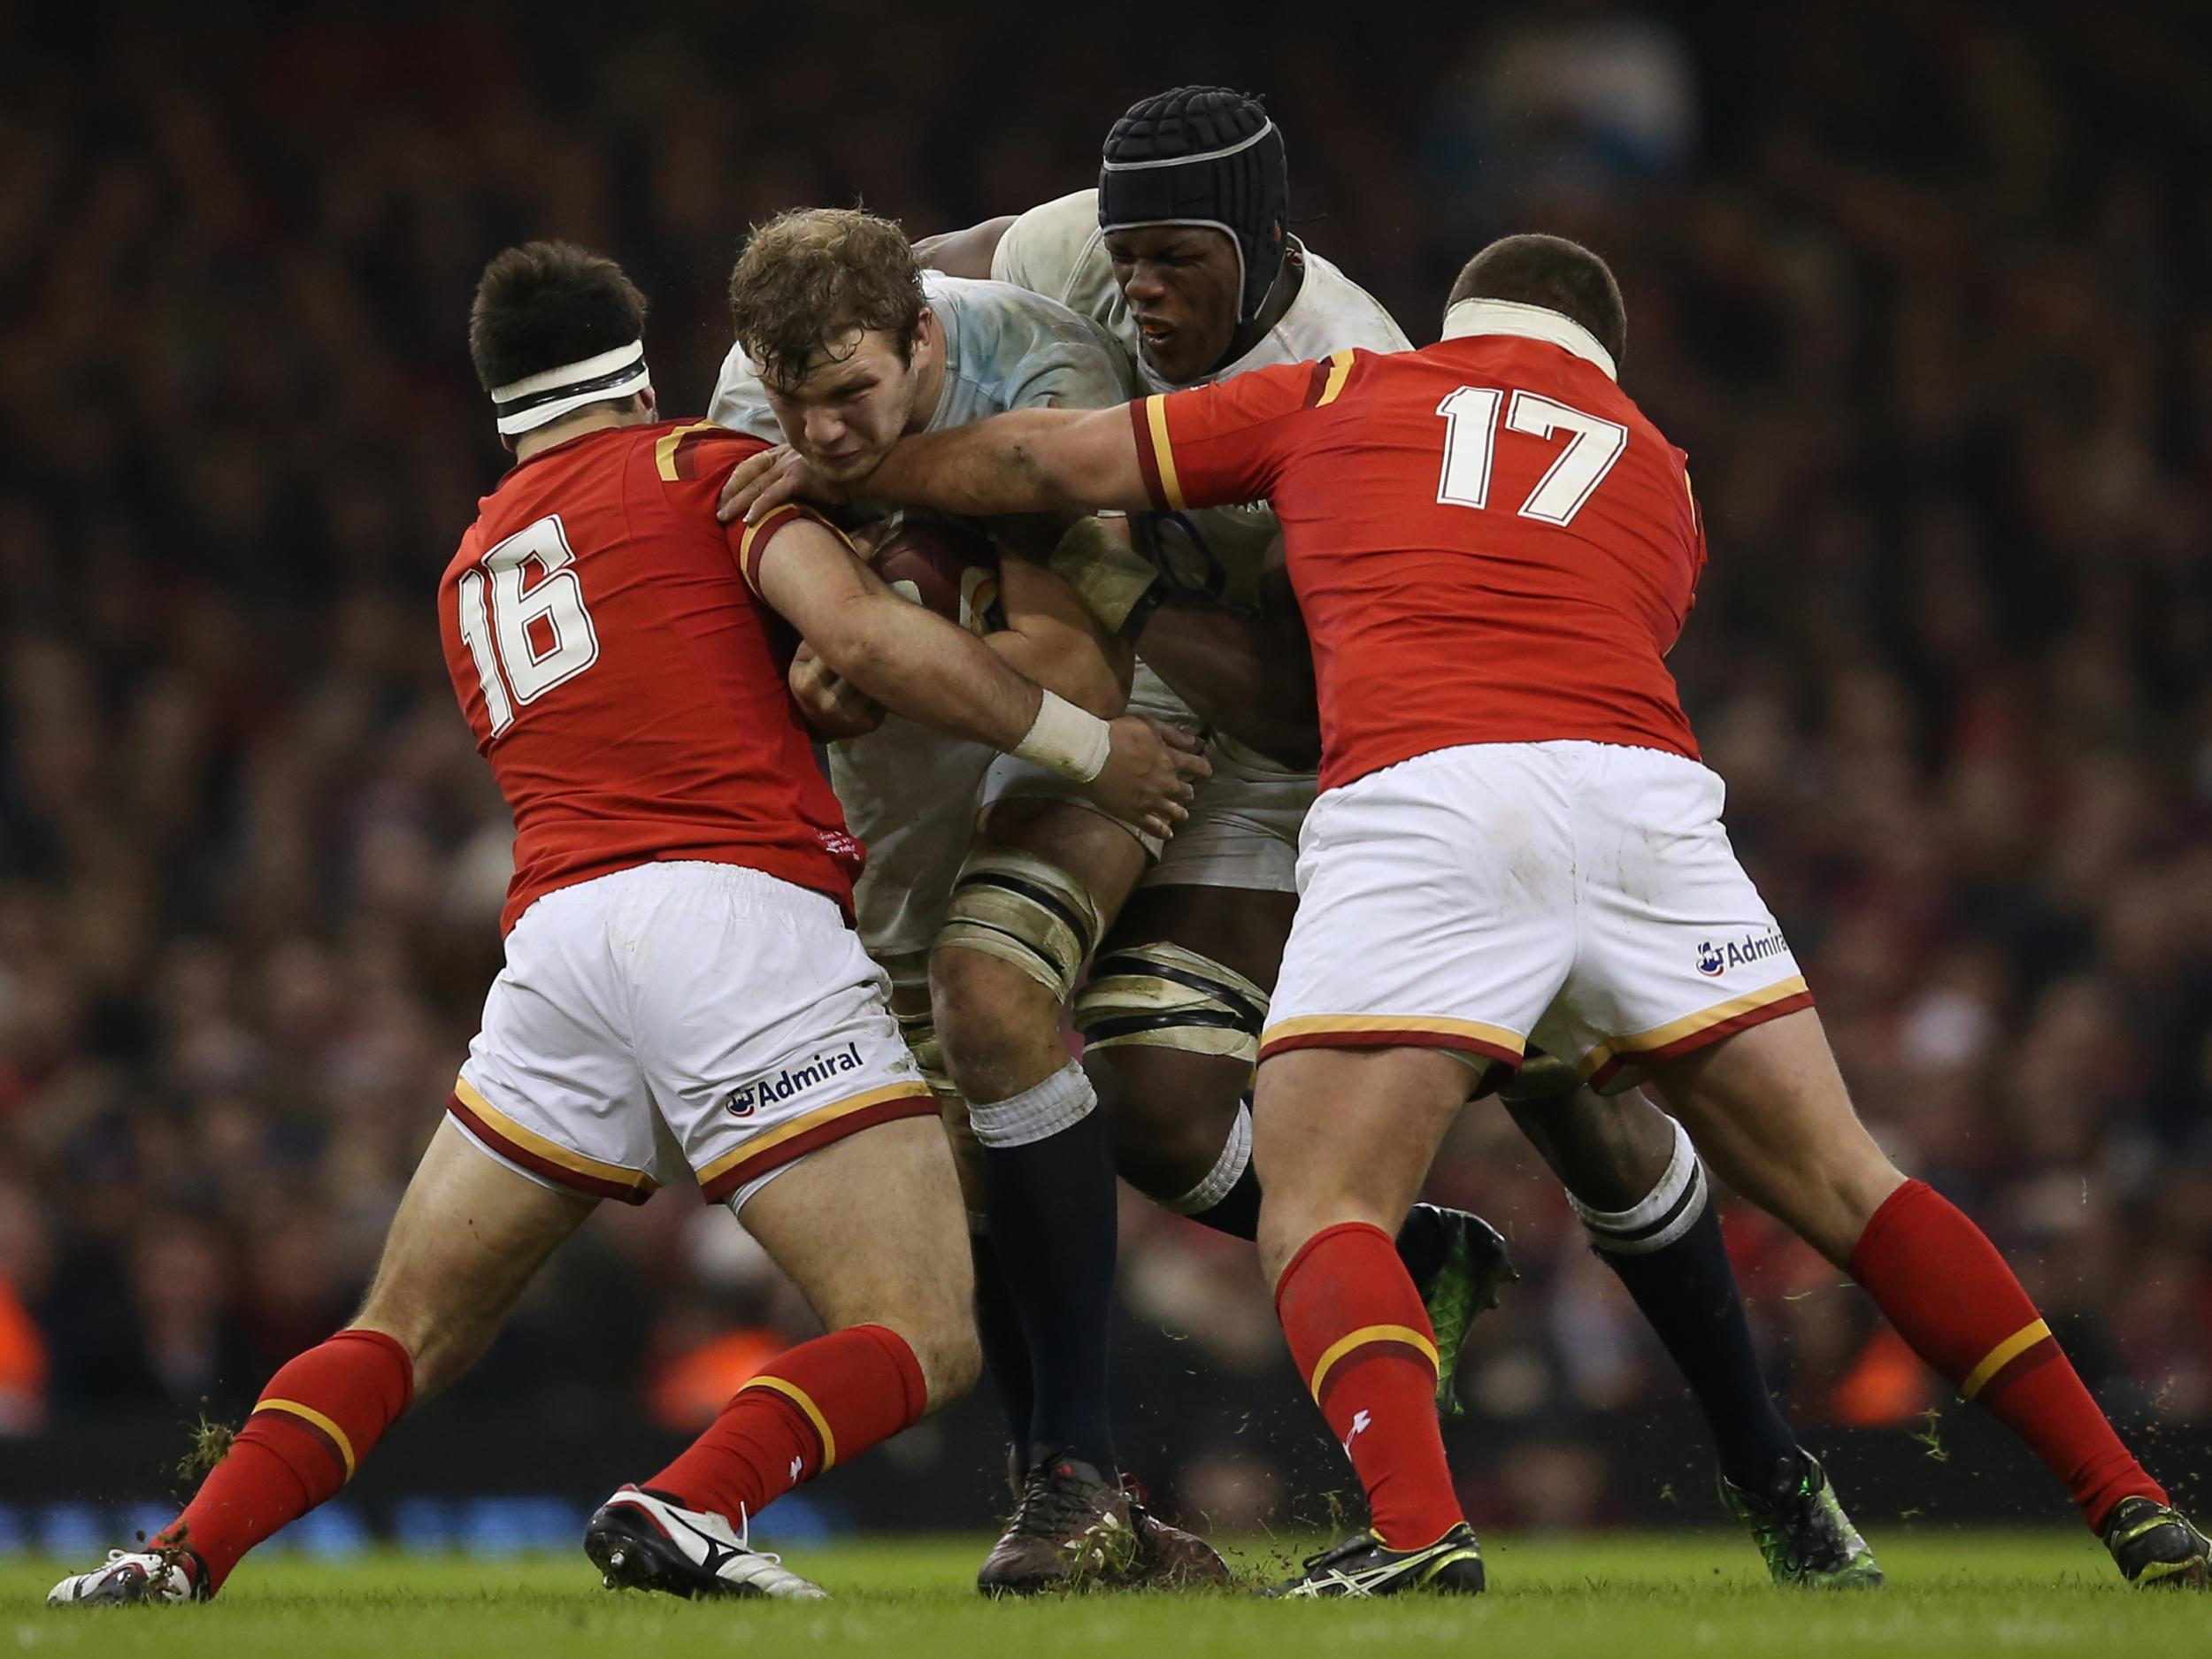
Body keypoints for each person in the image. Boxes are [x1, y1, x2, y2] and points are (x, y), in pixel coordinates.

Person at [778, 230, 2212, 1598]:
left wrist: (853, 469)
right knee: (1855, 1183)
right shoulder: (1663, 472)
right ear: (1600, 356)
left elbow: (1050, 457)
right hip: (1647, 798)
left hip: (1432, 792)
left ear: (1459, 322)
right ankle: (2126, 1498)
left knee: (1327, 1201)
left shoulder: (1354, 384)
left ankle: (1416, 1531)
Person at [739, 86, 1882, 1587]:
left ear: (1264, 245)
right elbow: (936, 280)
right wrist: (873, 432)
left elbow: (1295, 704)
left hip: (1345, 727)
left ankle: (1772, 1470)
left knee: (1575, 1093)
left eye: (1176, 262)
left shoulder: (1353, 374)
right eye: (1125, 254)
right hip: (1145, 677)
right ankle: (1373, 1293)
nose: (1138, 289)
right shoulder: (1085, 256)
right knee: (1143, 1098)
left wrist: (1071, 563)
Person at [46, 240, 1202, 1609]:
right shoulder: (701, 473)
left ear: (499, 401)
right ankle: (689, 1500)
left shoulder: (469, 568)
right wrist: (1090, 745)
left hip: (555, 949)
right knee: (916, 1330)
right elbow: (878, 646)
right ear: (636, 364)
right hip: (732, 917)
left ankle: (176, 1556)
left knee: (402, 1326)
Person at [710, 206, 1500, 1592]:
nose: (825, 433)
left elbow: (1073, 667)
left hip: (1107, 751)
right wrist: (837, 642)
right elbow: (807, 643)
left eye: (853, 398)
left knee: (994, 993)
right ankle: (1107, 1498)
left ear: (922, 334)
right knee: (965, 1165)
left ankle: (1075, 1474)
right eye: (800, 406)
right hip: (902, 797)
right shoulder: (742, 392)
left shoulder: (1049, 366)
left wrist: (868, 614)